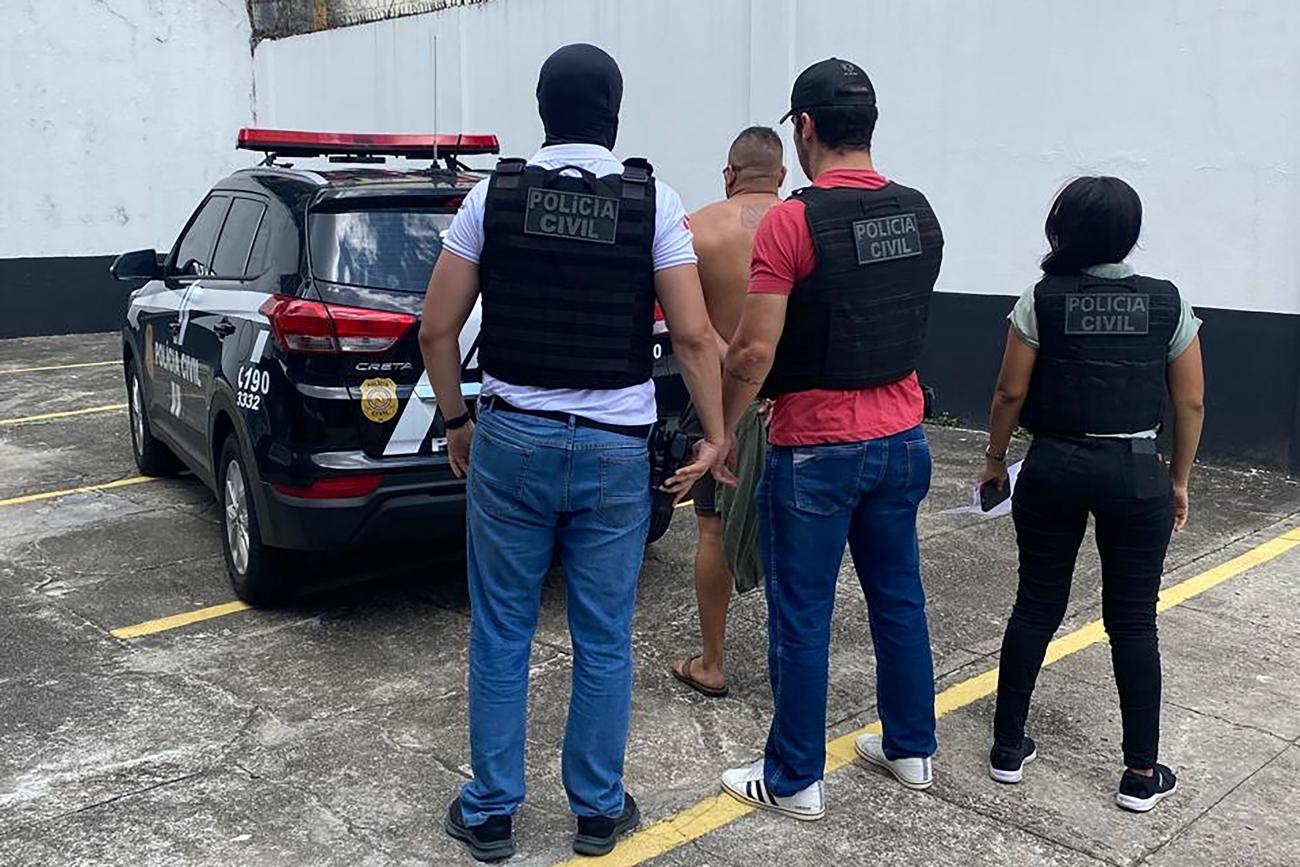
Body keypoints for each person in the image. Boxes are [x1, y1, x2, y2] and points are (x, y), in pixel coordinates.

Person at [418, 43, 726, 861]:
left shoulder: (493, 196)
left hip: (511, 440)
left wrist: (456, 421)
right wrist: (717, 431)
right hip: (614, 454)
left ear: (542, 111)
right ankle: (596, 808)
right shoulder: (653, 202)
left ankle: (490, 811)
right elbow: (694, 335)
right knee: (603, 635)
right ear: (614, 116)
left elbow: (436, 328)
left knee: (501, 631)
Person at [716, 58, 945, 820]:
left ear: (806, 127)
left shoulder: (792, 220)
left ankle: (793, 779)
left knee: (803, 613)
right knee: (899, 598)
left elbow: (753, 351)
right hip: (902, 438)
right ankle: (911, 747)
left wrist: (721, 429)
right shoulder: (920, 212)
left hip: (814, 447)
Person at [978, 177, 1204, 813]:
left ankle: (1007, 749)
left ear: (1064, 229)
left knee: (1035, 604)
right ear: (1130, 235)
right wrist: (1178, 480)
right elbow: (1190, 402)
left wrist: (994, 460)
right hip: (1135, 471)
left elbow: (1010, 392)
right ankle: (1140, 773)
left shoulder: (1041, 298)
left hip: (1053, 463)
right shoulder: (1168, 302)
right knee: (1132, 619)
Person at [671, 126, 785, 699]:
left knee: (712, 528)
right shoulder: (804, 225)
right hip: (790, 401)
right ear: (782, 176)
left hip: (719, 400)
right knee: (795, 531)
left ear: (729, 174)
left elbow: (689, 326)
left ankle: (712, 661)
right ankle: (790, 662)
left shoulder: (696, 228)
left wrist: (737, 367)